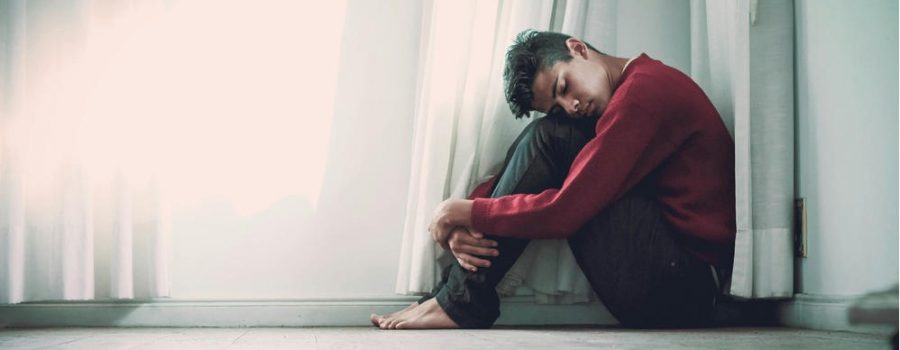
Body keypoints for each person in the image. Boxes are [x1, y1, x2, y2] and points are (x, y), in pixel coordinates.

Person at [371, 29, 735, 329]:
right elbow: (534, 166)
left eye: (564, 86)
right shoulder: (627, 94)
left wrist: (465, 213)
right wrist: (461, 216)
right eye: (559, 104)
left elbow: (566, 211)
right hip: (669, 275)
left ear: (578, 48)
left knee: (553, 137)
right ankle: (455, 297)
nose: (573, 106)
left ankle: (459, 302)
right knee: (551, 133)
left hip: (685, 289)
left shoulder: (644, 95)